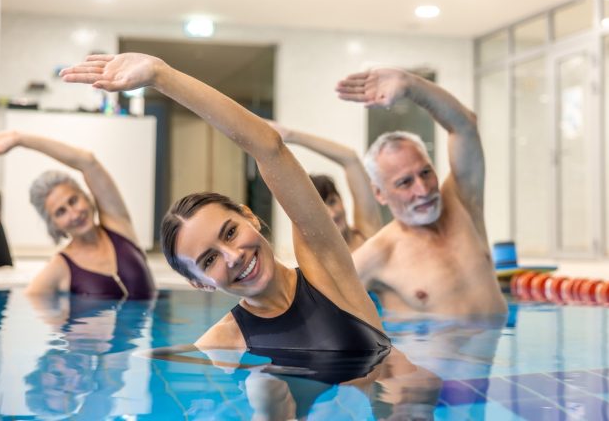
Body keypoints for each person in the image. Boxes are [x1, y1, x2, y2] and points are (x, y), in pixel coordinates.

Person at [61, 53, 440, 417]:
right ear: (201, 283)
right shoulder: (220, 343)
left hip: (398, 409)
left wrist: (162, 76)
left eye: (230, 232)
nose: (233, 256)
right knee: (264, 390)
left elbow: (269, 147)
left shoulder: (327, 271)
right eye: (209, 260)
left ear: (250, 217)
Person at [336, 67, 507, 316]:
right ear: (380, 194)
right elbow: (321, 321)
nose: (423, 189)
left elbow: (465, 126)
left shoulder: (463, 204)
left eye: (426, 172)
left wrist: (410, 85)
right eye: (405, 182)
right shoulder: (377, 255)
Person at [0, 132, 155, 299]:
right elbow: (30, 305)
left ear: (86, 196)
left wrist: (21, 140)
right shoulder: (60, 267)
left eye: (73, 200)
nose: (74, 214)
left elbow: (87, 161)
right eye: (61, 212)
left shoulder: (118, 224)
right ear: (54, 224)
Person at [268, 122, 384, 251]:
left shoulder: (367, 233)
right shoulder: (321, 259)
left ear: (341, 199)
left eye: (332, 202)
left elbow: (350, 158)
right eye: (322, 211)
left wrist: (291, 135)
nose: (333, 214)